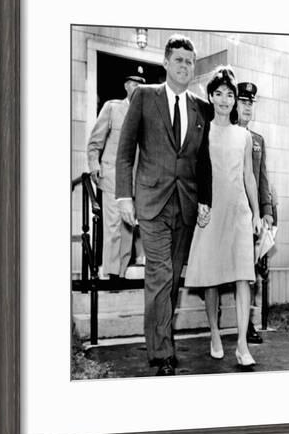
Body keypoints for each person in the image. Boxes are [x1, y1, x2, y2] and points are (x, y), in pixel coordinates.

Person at [116, 35, 212, 376]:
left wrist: (204, 199)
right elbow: (125, 150)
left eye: (190, 61)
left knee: (172, 281)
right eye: (179, 60)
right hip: (151, 201)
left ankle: (161, 336)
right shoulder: (144, 97)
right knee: (160, 275)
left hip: (184, 205)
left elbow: (202, 159)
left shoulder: (201, 108)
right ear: (166, 63)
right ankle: (161, 353)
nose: (185, 66)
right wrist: (123, 196)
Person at [185, 67, 261, 367]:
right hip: (212, 212)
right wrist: (199, 205)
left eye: (230, 95)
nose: (225, 100)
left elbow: (249, 176)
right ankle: (215, 333)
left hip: (239, 212)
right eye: (219, 94)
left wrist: (256, 213)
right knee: (212, 278)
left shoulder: (243, 135)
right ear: (211, 97)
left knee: (244, 276)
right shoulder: (202, 131)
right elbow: (193, 173)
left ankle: (242, 344)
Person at [87, 74, 146, 279]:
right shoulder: (112, 108)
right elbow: (95, 141)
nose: (137, 87)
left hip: (132, 180)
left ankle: (120, 273)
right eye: (134, 84)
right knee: (112, 227)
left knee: (128, 227)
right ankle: (111, 273)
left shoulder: (144, 113)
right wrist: (94, 165)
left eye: (141, 85)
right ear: (126, 86)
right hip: (112, 175)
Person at [237, 81, 274, 344]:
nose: (247, 107)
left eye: (251, 103)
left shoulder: (257, 140)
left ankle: (249, 324)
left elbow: (262, 180)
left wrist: (266, 212)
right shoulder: (222, 133)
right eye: (243, 102)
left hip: (251, 219)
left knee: (251, 273)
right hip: (227, 214)